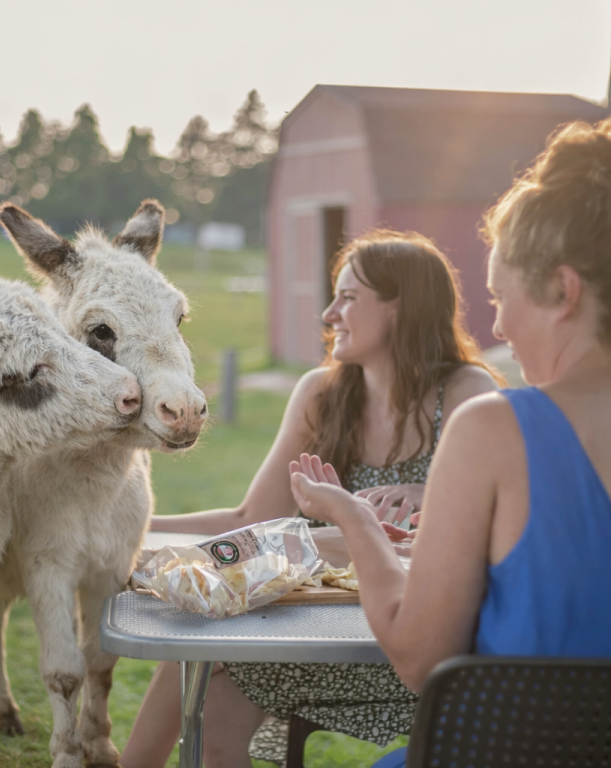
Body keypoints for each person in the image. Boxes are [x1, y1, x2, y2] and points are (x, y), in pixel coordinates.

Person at [288, 117, 611, 768]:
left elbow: (420, 657)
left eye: (500, 297)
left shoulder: (495, 429)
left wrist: (353, 514)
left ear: (563, 291)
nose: (497, 324)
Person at [120, 229, 500, 768]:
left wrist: (430, 492)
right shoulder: (322, 393)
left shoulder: (467, 393)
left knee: (211, 659)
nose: (329, 313)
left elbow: (492, 529)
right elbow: (253, 518)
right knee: (212, 676)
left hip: (417, 646)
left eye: (348, 298)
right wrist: (132, 530)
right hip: (322, 631)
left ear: (400, 308)